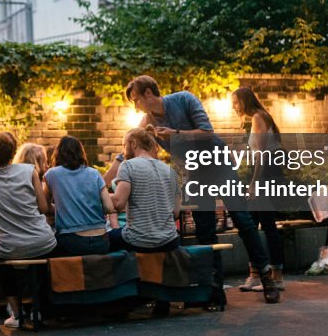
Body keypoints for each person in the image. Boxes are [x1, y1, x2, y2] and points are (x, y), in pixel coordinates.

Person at [117, 75, 280, 304]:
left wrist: (174, 134)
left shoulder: (184, 99)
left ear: (148, 93)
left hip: (217, 161)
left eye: (136, 100)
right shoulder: (146, 122)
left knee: (242, 218)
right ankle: (214, 287)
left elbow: (207, 132)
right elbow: (128, 147)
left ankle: (266, 277)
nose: (135, 106)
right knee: (204, 228)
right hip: (195, 171)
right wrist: (106, 175)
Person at [0, 132, 58, 328]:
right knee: (43, 263)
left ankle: (17, 313)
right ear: (13, 152)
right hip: (42, 241)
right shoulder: (28, 171)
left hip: (10, 245)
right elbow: (44, 208)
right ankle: (39, 311)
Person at [232, 87, 286, 292]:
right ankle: (256, 274)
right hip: (266, 172)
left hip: (268, 173)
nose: (234, 107)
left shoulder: (258, 117)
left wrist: (255, 183)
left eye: (236, 102)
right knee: (252, 224)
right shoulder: (257, 118)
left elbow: (263, 154)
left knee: (266, 225)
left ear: (245, 101)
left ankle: (276, 276)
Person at [104, 127, 181, 252]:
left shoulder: (128, 165)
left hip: (138, 241)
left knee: (102, 239)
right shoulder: (170, 171)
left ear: (133, 143)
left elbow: (118, 203)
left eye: (124, 145)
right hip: (170, 241)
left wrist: (102, 194)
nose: (123, 152)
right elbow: (176, 213)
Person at [43, 136, 115, 256]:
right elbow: (109, 207)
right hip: (101, 241)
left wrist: (65, 208)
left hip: (72, 241)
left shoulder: (52, 174)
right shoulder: (94, 173)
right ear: (81, 152)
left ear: (58, 153)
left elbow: (45, 207)